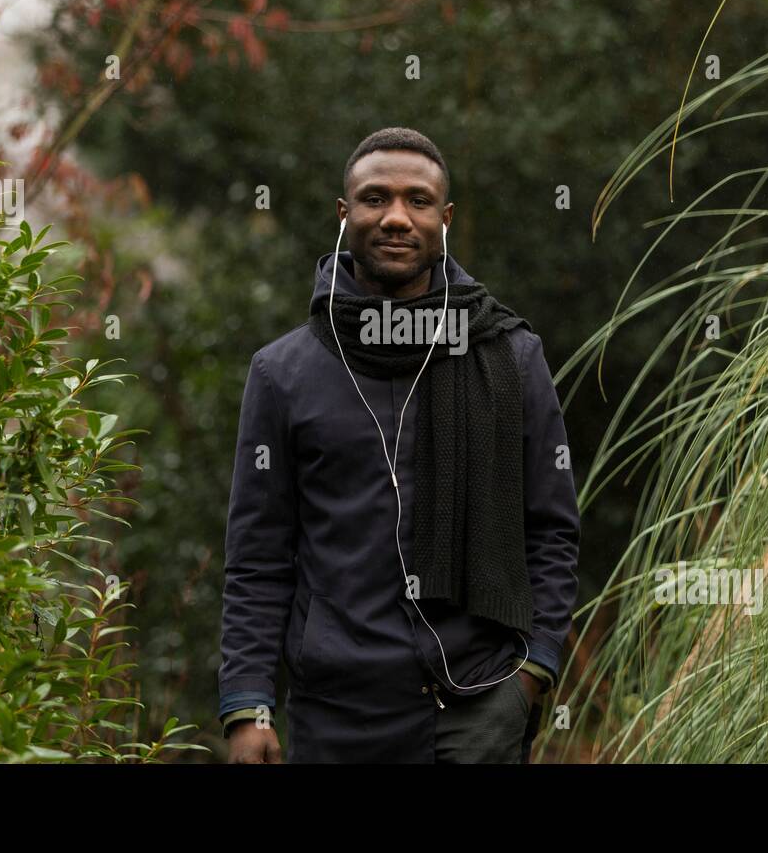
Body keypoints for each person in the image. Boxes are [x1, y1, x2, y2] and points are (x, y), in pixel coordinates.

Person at [218, 126, 580, 763]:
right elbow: (258, 556)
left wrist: (533, 675)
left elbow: (551, 529)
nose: (395, 218)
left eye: (417, 202)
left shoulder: (509, 357)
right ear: (343, 213)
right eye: (374, 198)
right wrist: (247, 703)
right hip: (339, 717)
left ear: (444, 219)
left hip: (479, 705)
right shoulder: (282, 374)